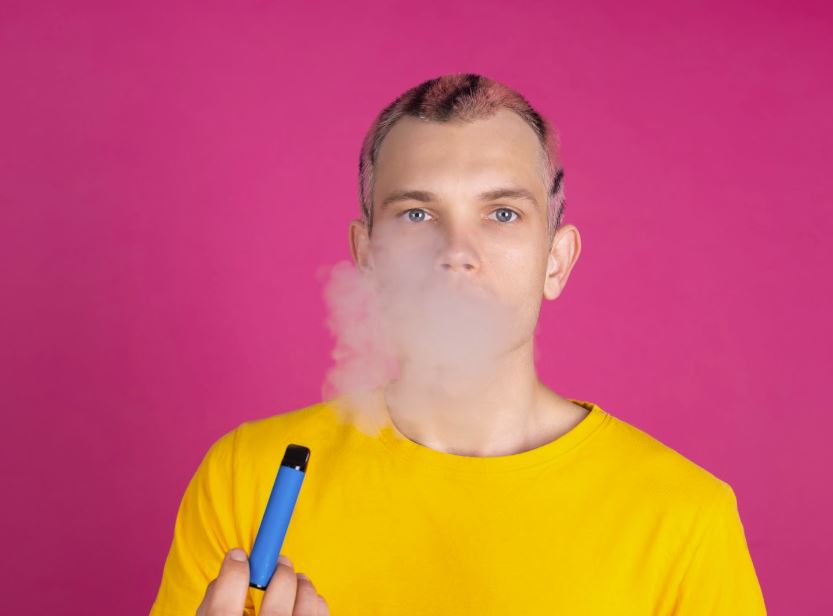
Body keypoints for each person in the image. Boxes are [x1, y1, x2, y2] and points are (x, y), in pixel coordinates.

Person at [150, 72, 767, 615]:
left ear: (556, 261)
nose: (456, 254)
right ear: (367, 257)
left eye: (502, 213)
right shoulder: (247, 478)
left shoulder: (684, 515)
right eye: (416, 214)